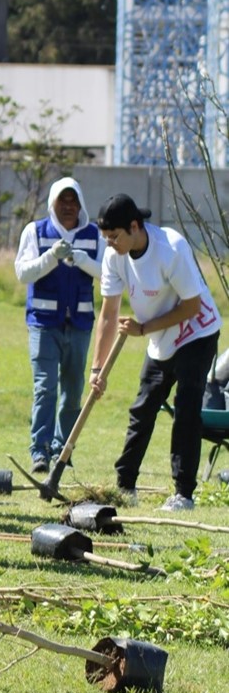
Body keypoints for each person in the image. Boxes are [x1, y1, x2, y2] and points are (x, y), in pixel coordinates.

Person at [89, 193, 222, 512]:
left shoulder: (170, 249)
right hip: (161, 336)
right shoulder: (114, 256)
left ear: (134, 226)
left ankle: (183, 494)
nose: (110, 244)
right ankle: (124, 485)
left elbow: (191, 306)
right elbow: (108, 314)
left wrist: (144, 329)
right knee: (143, 407)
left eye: (114, 236)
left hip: (197, 331)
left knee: (186, 408)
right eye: (106, 238)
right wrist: (96, 370)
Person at [13, 177, 105, 474]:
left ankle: (63, 450)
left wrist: (79, 258)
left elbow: (106, 273)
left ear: (81, 203)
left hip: (79, 323)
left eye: (73, 201)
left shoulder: (94, 234)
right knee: (45, 388)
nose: (68, 207)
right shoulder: (36, 231)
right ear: (52, 203)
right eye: (62, 201)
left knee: (73, 389)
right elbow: (23, 273)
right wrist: (51, 257)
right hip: (43, 323)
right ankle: (39, 450)